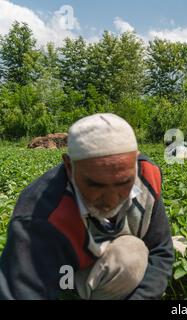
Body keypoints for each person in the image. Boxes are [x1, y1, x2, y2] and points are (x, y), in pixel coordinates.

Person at [0, 113, 174, 300]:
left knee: (135, 252)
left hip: (105, 259)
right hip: (62, 279)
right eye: (96, 185)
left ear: (135, 162)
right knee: (131, 256)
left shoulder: (147, 175)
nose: (111, 199)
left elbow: (160, 249)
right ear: (69, 166)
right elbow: (19, 293)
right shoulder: (39, 214)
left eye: (124, 182)